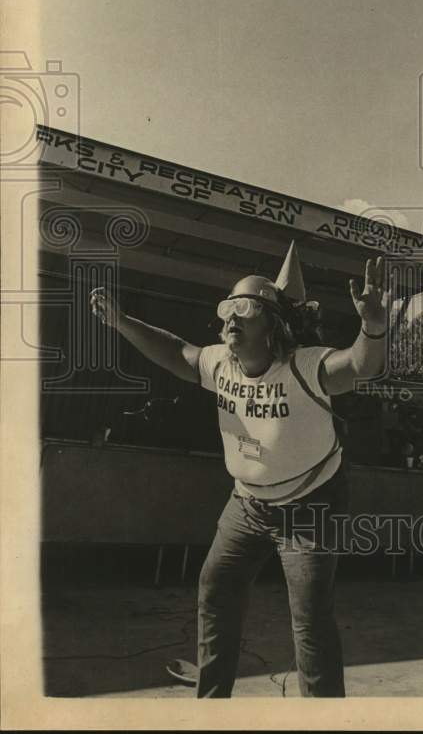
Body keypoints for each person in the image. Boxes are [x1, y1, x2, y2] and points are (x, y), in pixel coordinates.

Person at [89, 243, 393, 698]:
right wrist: (122, 322)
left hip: (310, 508)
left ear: (273, 322)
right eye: (227, 307)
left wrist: (373, 324)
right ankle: (213, 707)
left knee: (309, 620)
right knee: (215, 592)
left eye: (245, 308)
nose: (230, 318)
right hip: (247, 504)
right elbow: (177, 351)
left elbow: (361, 365)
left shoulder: (306, 367)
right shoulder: (220, 362)